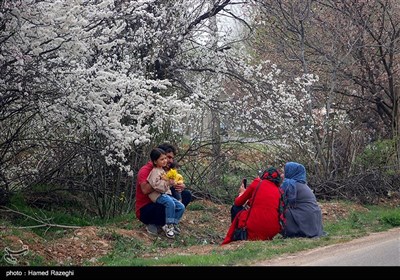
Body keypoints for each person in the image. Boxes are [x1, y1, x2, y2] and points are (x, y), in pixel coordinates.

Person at [135, 143, 192, 236]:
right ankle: (154, 223)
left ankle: (170, 224)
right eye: (167, 157)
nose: (169, 160)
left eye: (171, 158)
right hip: (146, 208)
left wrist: (179, 185)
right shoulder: (146, 170)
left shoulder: (165, 169)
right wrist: (164, 181)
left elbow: (171, 185)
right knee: (167, 202)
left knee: (186, 194)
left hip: (160, 198)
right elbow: (145, 190)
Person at [221, 167, 283, 245]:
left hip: (255, 229)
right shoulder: (279, 190)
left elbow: (238, 202)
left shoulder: (257, 183)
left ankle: (238, 235)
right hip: (272, 231)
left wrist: (242, 193)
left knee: (236, 208)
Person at [280, 161, 326, 238]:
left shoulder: (290, 185)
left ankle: (293, 232)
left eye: (284, 172)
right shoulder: (301, 184)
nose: (282, 175)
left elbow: (280, 200)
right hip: (313, 219)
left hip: (306, 217)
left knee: (279, 211)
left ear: (291, 172)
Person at [147, 148, 185, 238]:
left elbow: (167, 183)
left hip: (165, 194)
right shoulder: (155, 171)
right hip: (158, 195)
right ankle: (169, 225)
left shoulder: (162, 170)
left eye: (165, 158)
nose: (165, 161)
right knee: (170, 203)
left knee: (180, 206)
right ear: (155, 161)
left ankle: (173, 224)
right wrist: (167, 183)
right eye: (162, 159)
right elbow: (155, 185)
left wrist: (174, 182)